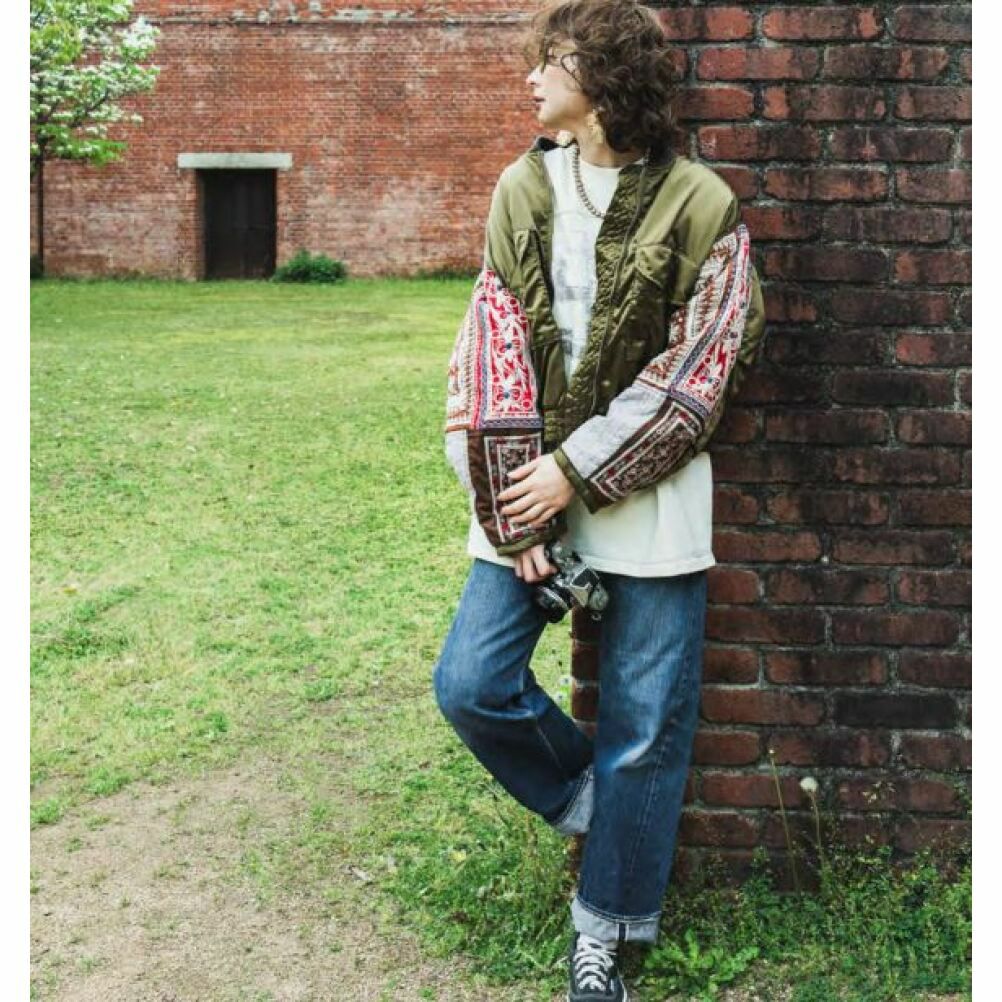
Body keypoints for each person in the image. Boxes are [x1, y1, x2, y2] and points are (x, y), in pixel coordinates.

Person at [434, 2, 766, 999]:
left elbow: (702, 372)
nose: (533, 78)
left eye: (553, 60)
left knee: (646, 723)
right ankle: (603, 806)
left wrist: (573, 472)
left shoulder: (703, 205)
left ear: (605, 75)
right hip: (525, 494)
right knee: (472, 684)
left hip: (653, 500)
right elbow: (489, 348)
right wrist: (515, 507)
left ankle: (605, 935)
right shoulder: (521, 189)